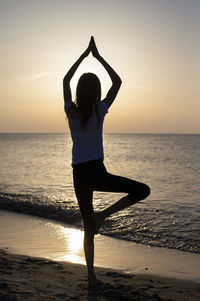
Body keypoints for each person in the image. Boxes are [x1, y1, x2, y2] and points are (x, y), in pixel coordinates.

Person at [63, 36, 150, 289]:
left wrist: (82, 56)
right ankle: (103, 215)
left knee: (88, 227)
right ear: (97, 92)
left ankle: (91, 277)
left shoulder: (70, 112)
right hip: (96, 172)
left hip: (79, 174)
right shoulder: (99, 110)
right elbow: (118, 82)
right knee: (142, 190)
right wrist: (98, 57)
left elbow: (66, 80)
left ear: (79, 91)